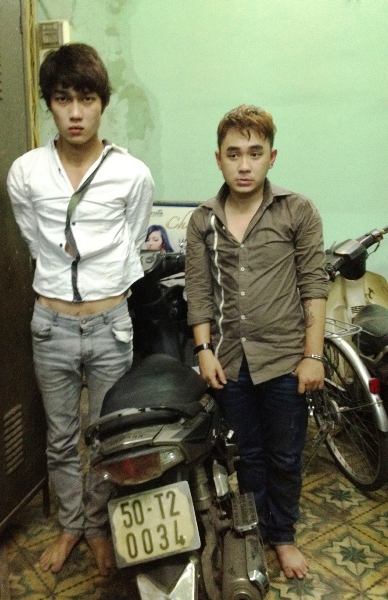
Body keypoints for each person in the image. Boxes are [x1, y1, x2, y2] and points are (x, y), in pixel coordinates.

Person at [7, 43, 154, 576]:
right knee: (62, 437)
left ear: (102, 104)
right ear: (48, 103)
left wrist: (99, 285)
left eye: (86, 99)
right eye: (63, 98)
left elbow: (131, 239)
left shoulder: (132, 174)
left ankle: (99, 528)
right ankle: (72, 526)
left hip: (111, 324)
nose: (75, 112)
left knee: (108, 434)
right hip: (51, 326)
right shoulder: (26, 172)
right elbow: (34, 239)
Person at [185, 104, 328, 579]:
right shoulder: (203, 220)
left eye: (254, 153)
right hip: (229, 361)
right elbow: (199, 292)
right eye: (233, 154)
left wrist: (313, 356)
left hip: (286, 360)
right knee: (246, 454)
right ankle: (252, 531)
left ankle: (282, 535)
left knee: (285, 455)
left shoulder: (297, 210)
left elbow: (313, 285)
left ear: (271, 157)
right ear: (218, 159)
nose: (244, 165)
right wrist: (203, 350)